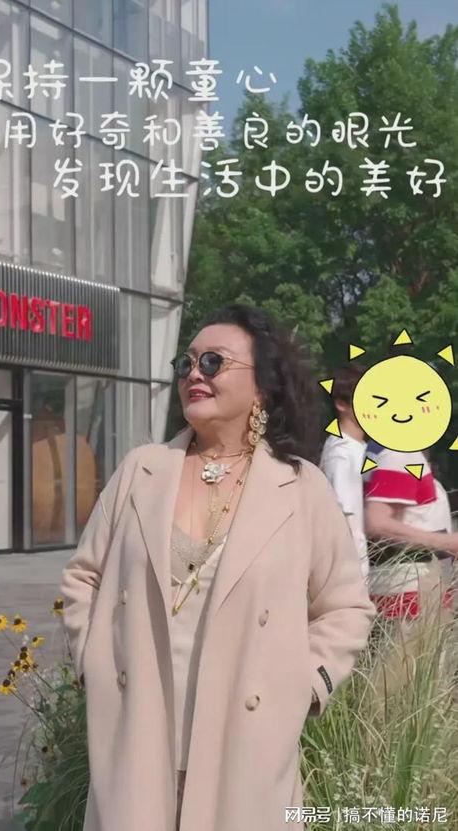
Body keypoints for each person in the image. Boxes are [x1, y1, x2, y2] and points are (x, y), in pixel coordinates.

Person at [60, 304, 376, 831]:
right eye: (185, 363)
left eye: (213, 362)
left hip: (247, 744)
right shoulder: (141, 470)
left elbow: (346, 606)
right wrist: (92, 663)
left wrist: (303, 684)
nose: (194, 374)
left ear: (262, 388)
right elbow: (84, 576)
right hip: (135, 736)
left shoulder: (300, 488)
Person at [363, 441, 458, 697]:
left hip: (420, 589)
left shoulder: (383, 454)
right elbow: (377, 523)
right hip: (411, 592)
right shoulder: (400, 453)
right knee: (401, 692)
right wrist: (446, 543)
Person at [319, 366, 369, 580]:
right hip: (354, 577)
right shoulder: (340, 453)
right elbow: (347, 521)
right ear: (341, 404)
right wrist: (358, 578)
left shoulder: (360, 449)